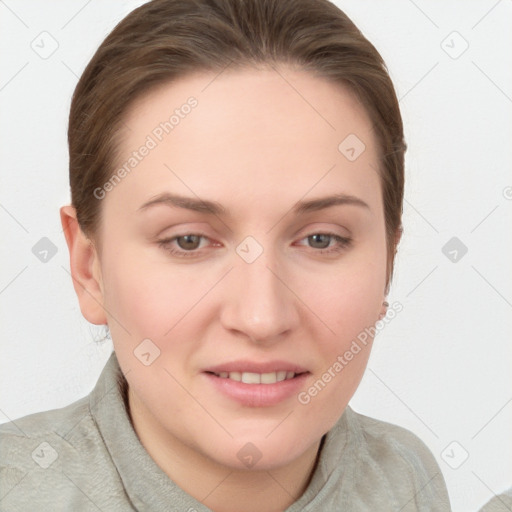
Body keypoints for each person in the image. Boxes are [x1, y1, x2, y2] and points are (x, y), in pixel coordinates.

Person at [0, 0, 452, 510]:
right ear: (90, 269)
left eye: (321, 239)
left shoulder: (407, 481)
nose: (261, 318)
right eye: (188, 240)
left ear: (388, 262)